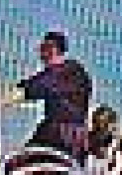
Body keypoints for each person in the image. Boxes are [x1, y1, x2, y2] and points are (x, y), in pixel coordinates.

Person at [10, 31, 92, 160]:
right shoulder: (69, 71)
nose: (40, 53)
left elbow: (28, 90)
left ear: (52, 49)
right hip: (72, 135)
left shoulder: (65, 72)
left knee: (20, 164)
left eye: (43, 48)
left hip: (62, 134)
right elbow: (29, 86)